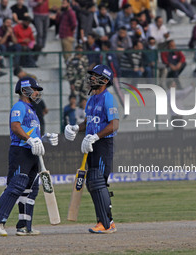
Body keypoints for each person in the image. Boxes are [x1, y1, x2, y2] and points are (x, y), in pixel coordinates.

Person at [0, 77, 58, 236]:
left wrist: (43, 138)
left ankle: (24, 226)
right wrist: (29, 139)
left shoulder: (32, 109)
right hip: (21, 150)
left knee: (31, 189)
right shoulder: (19, 106)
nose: (37, 93)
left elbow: (31, 132)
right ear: (25, 90)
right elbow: (15, 126)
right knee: (16, 185)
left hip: (33, 152)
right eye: (35, 89)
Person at [64, 64, 119, 234]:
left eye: (95, 76)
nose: (91, 79)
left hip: (103, 144)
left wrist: (96, 137)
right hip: (91, 144)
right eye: (92, 76)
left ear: (104, 79)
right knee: (92, 182)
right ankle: (106, 221)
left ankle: (106, 223)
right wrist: (75, 128)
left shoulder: (108, 98)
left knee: (97, 180)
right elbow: (89, 122)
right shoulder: (91, 99)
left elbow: (114, 125)